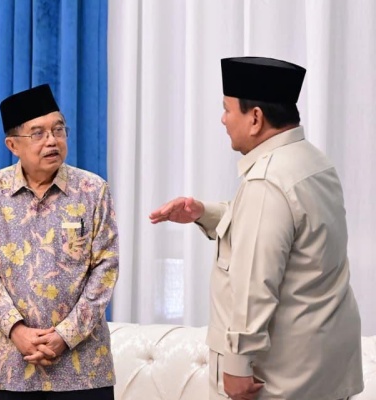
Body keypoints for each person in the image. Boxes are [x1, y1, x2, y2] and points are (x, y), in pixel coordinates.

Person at [149, 57, 363, 400]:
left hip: (279, 378)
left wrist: (236, 363)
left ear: (255, 118)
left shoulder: (267, 180)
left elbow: (255, 283)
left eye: (227, 109)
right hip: (325, 370)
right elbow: (283, 230)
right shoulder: (313, 162)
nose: (223, 119)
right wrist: (204, 213)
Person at [0, 84, 119, 400]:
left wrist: (66, 335)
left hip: (84, 369)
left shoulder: (92, 190)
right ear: (12, 145)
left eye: (58, 130)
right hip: (14, 366)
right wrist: (17, 330)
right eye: (38, 133)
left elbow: (105, 270)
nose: (52, 141)